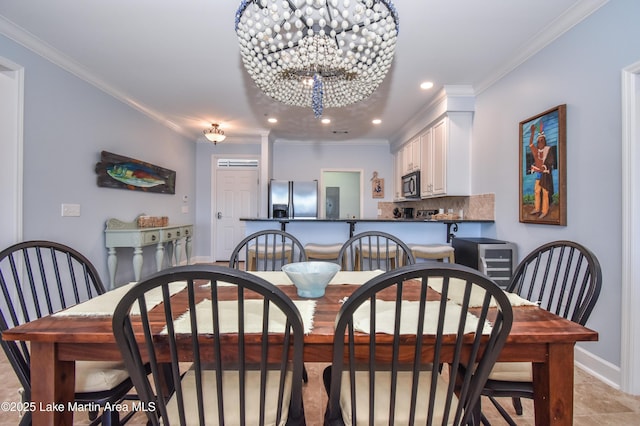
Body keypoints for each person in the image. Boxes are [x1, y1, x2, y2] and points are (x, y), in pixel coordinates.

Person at [528, 123, 554, 219]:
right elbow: (530, 144)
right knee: (537, 191)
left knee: (545, 193)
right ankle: (537, 208)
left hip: (545, 176)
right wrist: (532, 133)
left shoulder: (548, 150)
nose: (540, 143)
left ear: (544, 141)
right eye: (538, 141)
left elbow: (551, 161)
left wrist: (544, 167)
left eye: (541, 141)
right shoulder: (536, 151)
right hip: (539, 175)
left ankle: (544, 211)